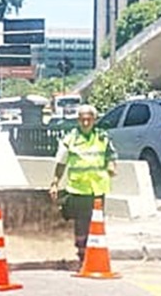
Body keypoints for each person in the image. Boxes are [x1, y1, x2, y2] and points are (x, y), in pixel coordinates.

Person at [48, 105, 118, 261]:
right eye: (82, 119)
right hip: (78, 189)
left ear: (94, 120)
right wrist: (55, 183)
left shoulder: (102, 137)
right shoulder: (70, 138)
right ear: (78, 120)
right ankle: (82, 255)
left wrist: (112, 166)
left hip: (98, 188)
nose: (85, 122)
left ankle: (96, 253)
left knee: (97, 223)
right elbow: (61, 163)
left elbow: (111, 155)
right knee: (81, 224)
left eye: (89, 119)